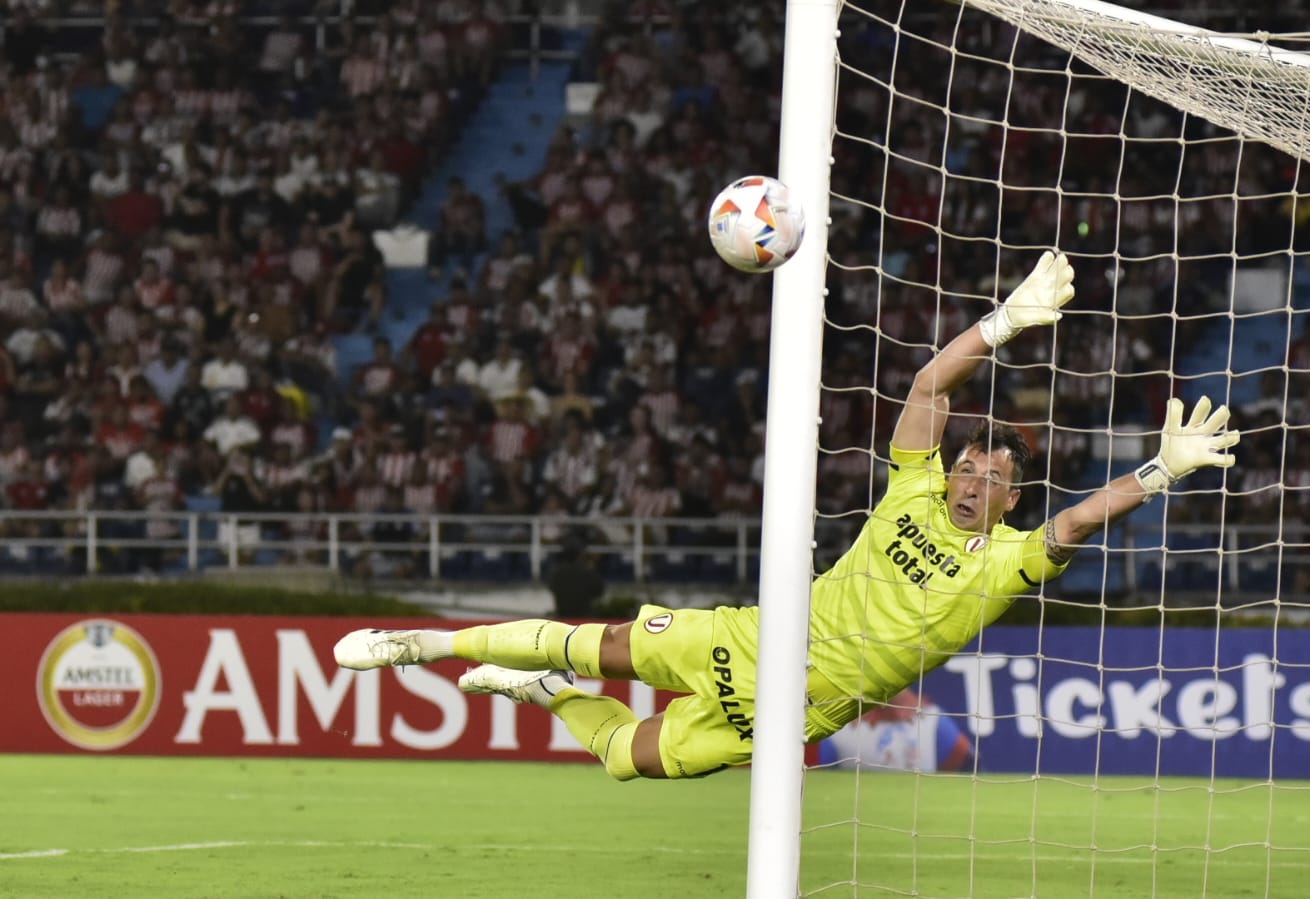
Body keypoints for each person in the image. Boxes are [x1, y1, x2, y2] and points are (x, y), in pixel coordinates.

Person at [333, 251, 1240, 781]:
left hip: (800, 711)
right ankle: (417, 646)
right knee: (596, 643)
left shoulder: (1003, 561)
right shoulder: (911, 489)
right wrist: (1004, 321)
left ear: (1009, 498)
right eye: (967, 462)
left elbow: (1073, 525)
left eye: (989, 475)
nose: (968, 479)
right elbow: (927, 384)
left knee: (626, 758)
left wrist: (1158, 470)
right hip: (755, 643)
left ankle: (544, 698)